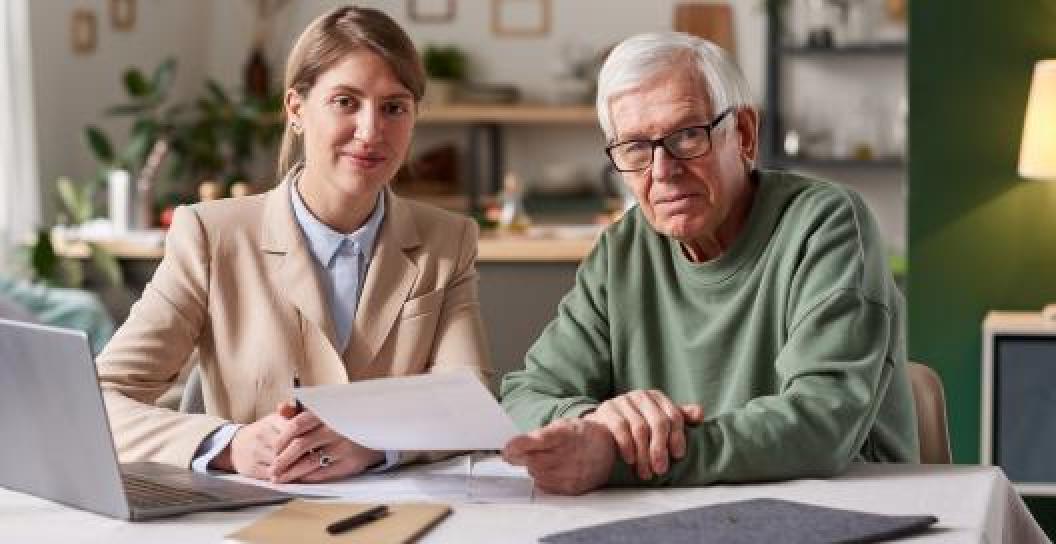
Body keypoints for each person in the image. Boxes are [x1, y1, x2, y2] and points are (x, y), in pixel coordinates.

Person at [500, 32, 917, 495]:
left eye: (686, 136)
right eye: (636, 148)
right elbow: (525, 394)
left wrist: (620, 456)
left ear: (743, 134)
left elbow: (822, 425)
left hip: (848, 510)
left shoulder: (826, 223)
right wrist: (591, 423)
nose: (662, 171)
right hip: (676, 516)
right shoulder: (623, 248)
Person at [96, 6, 492, 484]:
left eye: (394, 107)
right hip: (247, 516)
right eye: (346, 101)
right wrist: (226, 445)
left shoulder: (448, 241)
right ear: (296, 109)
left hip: (401, 516)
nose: (371, 132)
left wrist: (375, 443)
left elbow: (468, 401)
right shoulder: (210, 236)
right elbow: (99, 397)